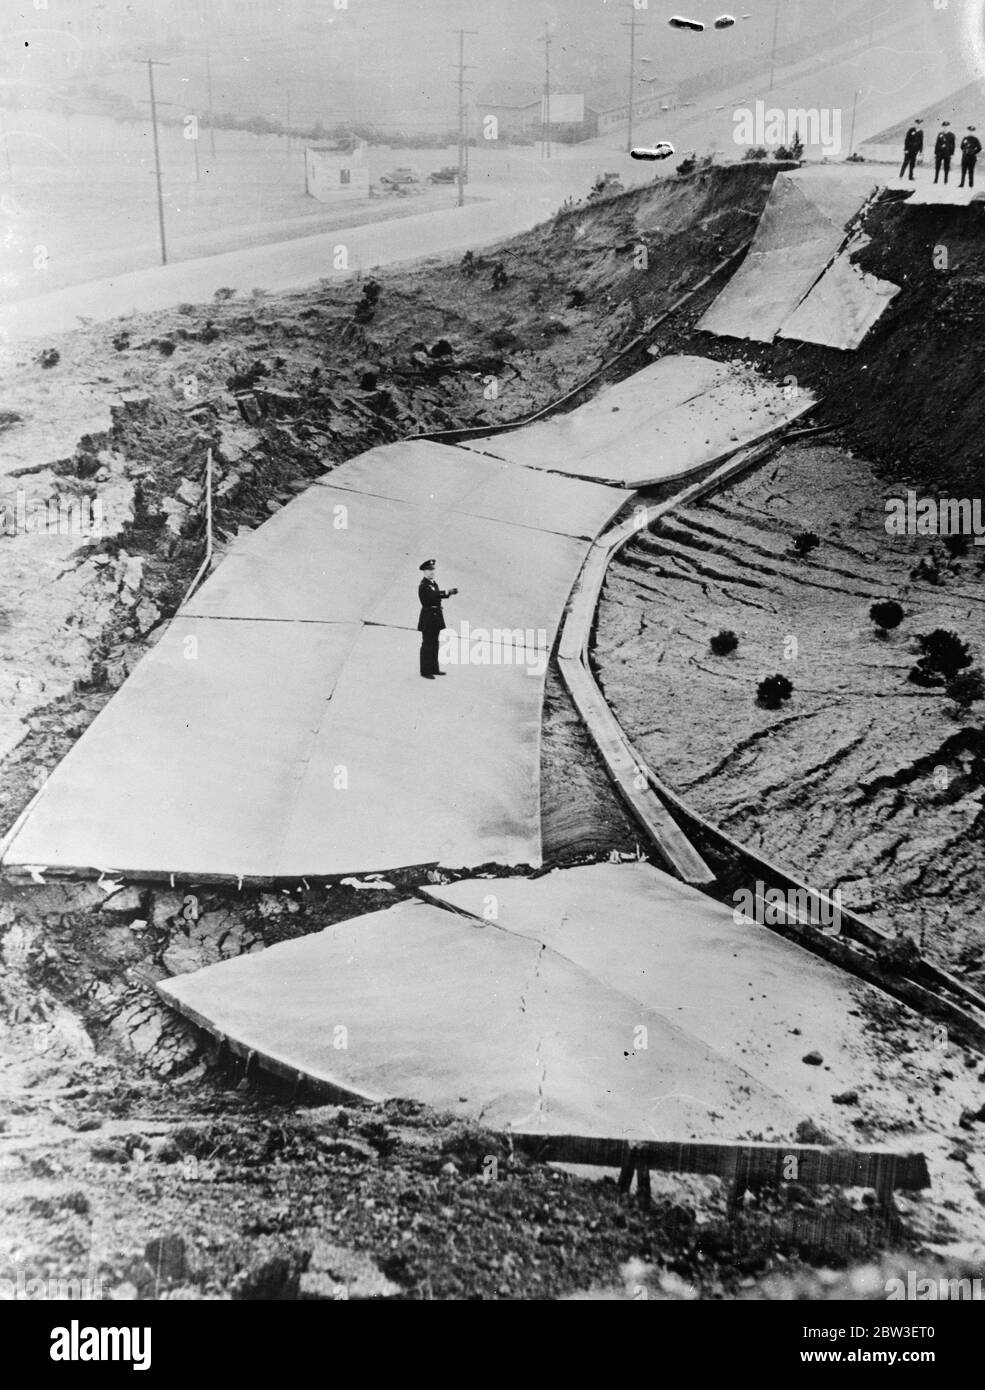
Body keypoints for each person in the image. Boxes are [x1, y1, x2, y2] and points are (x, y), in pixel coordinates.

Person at [417, 559, 458, 679]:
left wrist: (449, 593)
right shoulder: (423, 585)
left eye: (432, 570)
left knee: (434, 643)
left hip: (435, 617)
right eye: (429, 570)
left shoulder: (433, 584)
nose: (431, 572)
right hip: (428, 617)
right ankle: (425, 671)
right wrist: (446, 592)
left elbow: (437, 595)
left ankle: (434, 668)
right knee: (427, 644)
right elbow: (432, 596)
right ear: (424, 572)